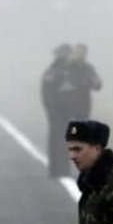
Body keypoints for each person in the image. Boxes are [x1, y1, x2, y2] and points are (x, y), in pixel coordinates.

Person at [41, 44, 75, 177]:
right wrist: (53, 110)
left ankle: (61, 169)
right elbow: (48, 94)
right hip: (57, 111)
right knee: (58, 139)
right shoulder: (54, 71)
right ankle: (57, 170)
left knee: (62, 139)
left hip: (63, 111)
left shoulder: (63, 71)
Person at [68, 43, 103, 120]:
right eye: (77, 53)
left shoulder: (89, 68)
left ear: (85, 54)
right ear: (74, 53)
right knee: (69, 129)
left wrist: (97, 83)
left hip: (84, 104)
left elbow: (97, 86)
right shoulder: (67, 66)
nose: (80, 55)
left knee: (82, 128)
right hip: (69, 104)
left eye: (82, 53)